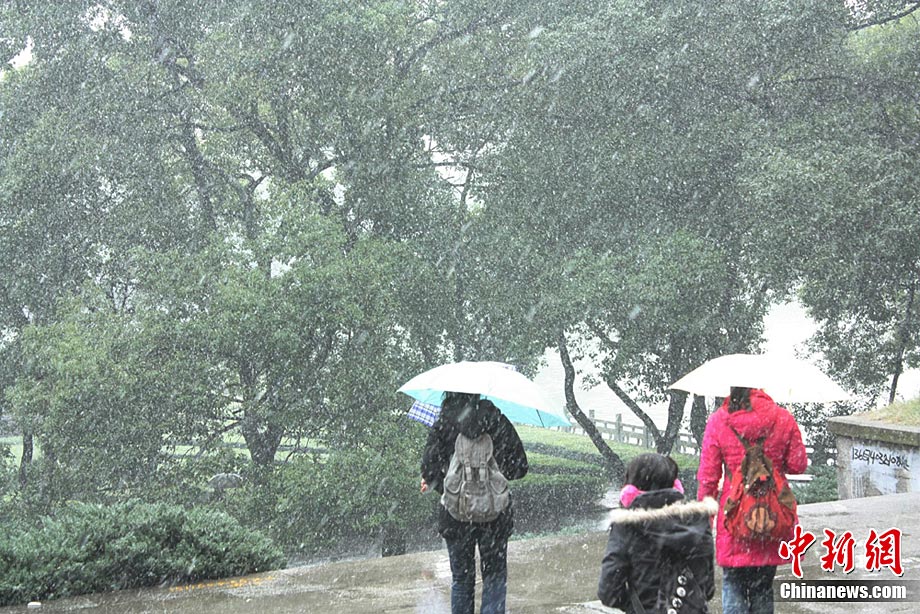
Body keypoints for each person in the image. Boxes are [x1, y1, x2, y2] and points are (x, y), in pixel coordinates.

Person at [697, 387, 808, 614]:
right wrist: (778, 452)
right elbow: (798, 465)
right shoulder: (782, 418)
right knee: (763, 586)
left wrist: (704, 520)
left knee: (733, 582)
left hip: (735, 516)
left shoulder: (719, 421)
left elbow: (708, 477)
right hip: (772, 516)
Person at [420, 391, 528, 614]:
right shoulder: (496, 421)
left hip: (455, 516)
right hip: (495, 517)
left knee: (462, 580)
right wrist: (492, 477)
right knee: (495, 577)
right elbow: (519, 468)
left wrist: (452, 489)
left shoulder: (443, 424)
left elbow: (429, 471)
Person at [598, 453, 718, 613]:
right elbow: (707, 590)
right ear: (676, 486)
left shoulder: (627, 526)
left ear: (631, 490)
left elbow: (609, 592)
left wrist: (634, 607)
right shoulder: (698, 523)